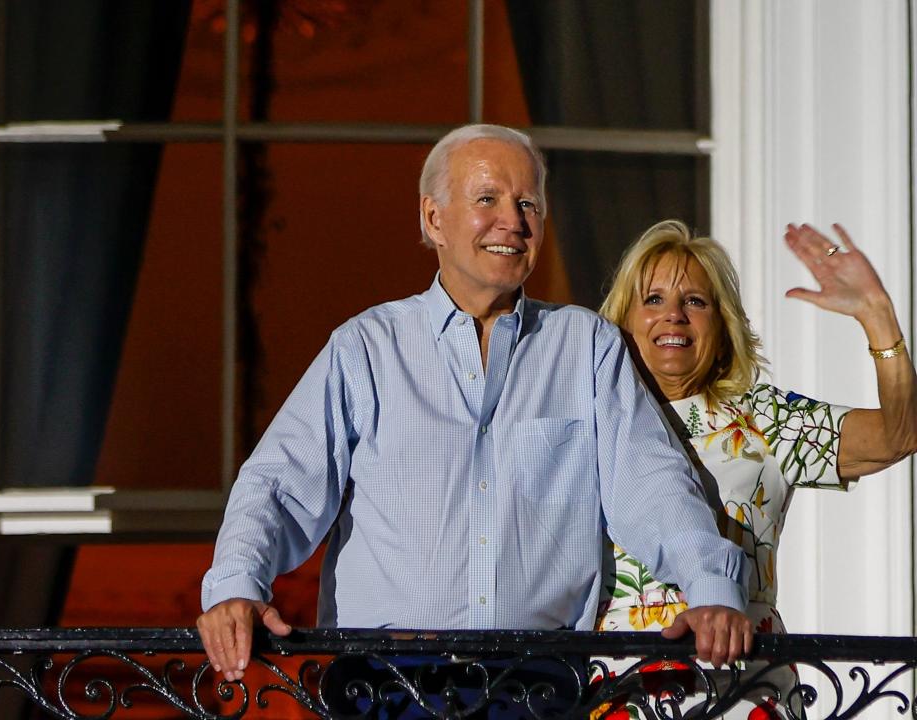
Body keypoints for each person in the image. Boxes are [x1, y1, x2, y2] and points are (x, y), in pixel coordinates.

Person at [197, 125, 753, 700]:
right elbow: (279, 485)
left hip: (536, 686)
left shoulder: (586, 345)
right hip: (385, 685)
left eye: (528, 204)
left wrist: (712, 586)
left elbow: (650, 482)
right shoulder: (365, 348)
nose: (512, 221)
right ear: (433, 219)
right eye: (487, 199)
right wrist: (237, 586)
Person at [595, 219, 917, 718]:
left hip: (745, 686)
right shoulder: (586, 421)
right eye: (653, 300)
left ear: (722, 324)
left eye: (695, 302)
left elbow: (901, 434)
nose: (674, 316)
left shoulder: (765, 417)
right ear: (621, 320)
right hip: (620, 686)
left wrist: (878, 317)